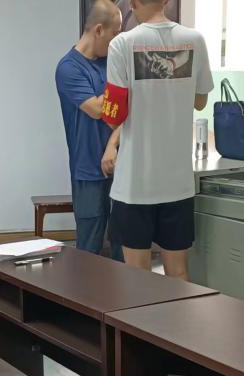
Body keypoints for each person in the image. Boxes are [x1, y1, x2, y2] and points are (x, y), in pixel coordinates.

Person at [102, 0, 213, 278]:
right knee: (178, 274)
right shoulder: (195, 40)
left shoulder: (122, 44)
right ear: (166, 1)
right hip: (177, 183)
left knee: (136, 277)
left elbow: (114, 116)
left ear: (132, 3)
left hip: (135, 184)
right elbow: (200, 102)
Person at [55, 0, 124, 260]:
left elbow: (130, 111)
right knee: (89, 251)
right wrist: (122, 94)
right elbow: (96, 109)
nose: (117, 40)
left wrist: (112, 145)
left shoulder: (113, 61)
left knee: (123, 247)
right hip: (87, 170)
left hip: (121, 165)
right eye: (114, 33)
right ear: (98, 30)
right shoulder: (68, 68)